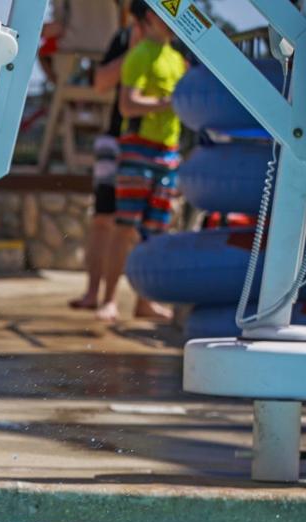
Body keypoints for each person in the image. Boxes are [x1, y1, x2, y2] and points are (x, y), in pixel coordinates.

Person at [95, 0, 186, 324]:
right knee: (124, 227)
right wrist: (166, 103)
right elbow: (128, 104)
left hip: (168, 150)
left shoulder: (178, 59)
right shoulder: (139, 54)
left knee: (156, 230)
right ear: (151, 17)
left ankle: (145, 300)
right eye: (169, 14)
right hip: (137, 149)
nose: (177, 21)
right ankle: (108, 300)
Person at [69, 13, 138, 311]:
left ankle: (140, 301)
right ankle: (93, 293)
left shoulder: (180, 42)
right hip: (116, 140)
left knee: (141, 226)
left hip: (154, 145)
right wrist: (135, 50)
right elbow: (101, 84)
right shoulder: (123, 38)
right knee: (103, 220)